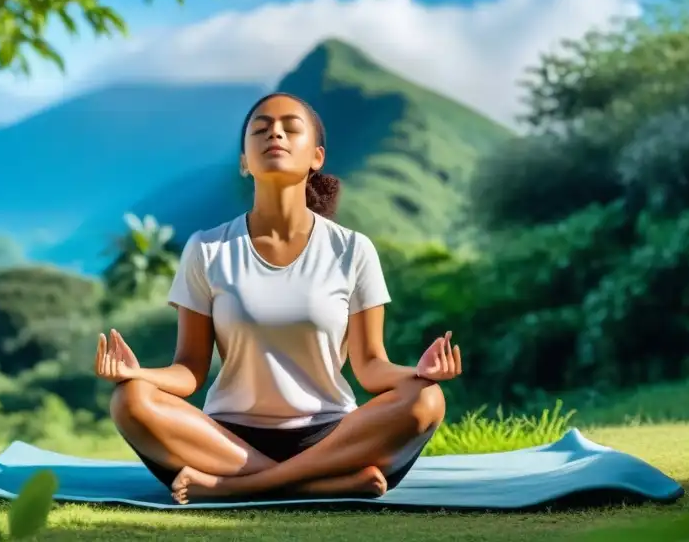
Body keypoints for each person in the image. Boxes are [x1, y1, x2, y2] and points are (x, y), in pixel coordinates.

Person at [94, 92, 463, 504]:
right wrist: (138, 375)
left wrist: (418, 372)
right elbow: (189, 371)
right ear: (244, 162)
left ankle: (240, 488)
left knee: (426, 399)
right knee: (129, 401)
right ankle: (325, 485)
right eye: (261, 128)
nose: (275, 133)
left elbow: (371, 366)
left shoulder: (353, 250)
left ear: (316, 157)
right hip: (228, 440)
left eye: (290, 127)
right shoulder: (207, 248)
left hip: (329, 435)